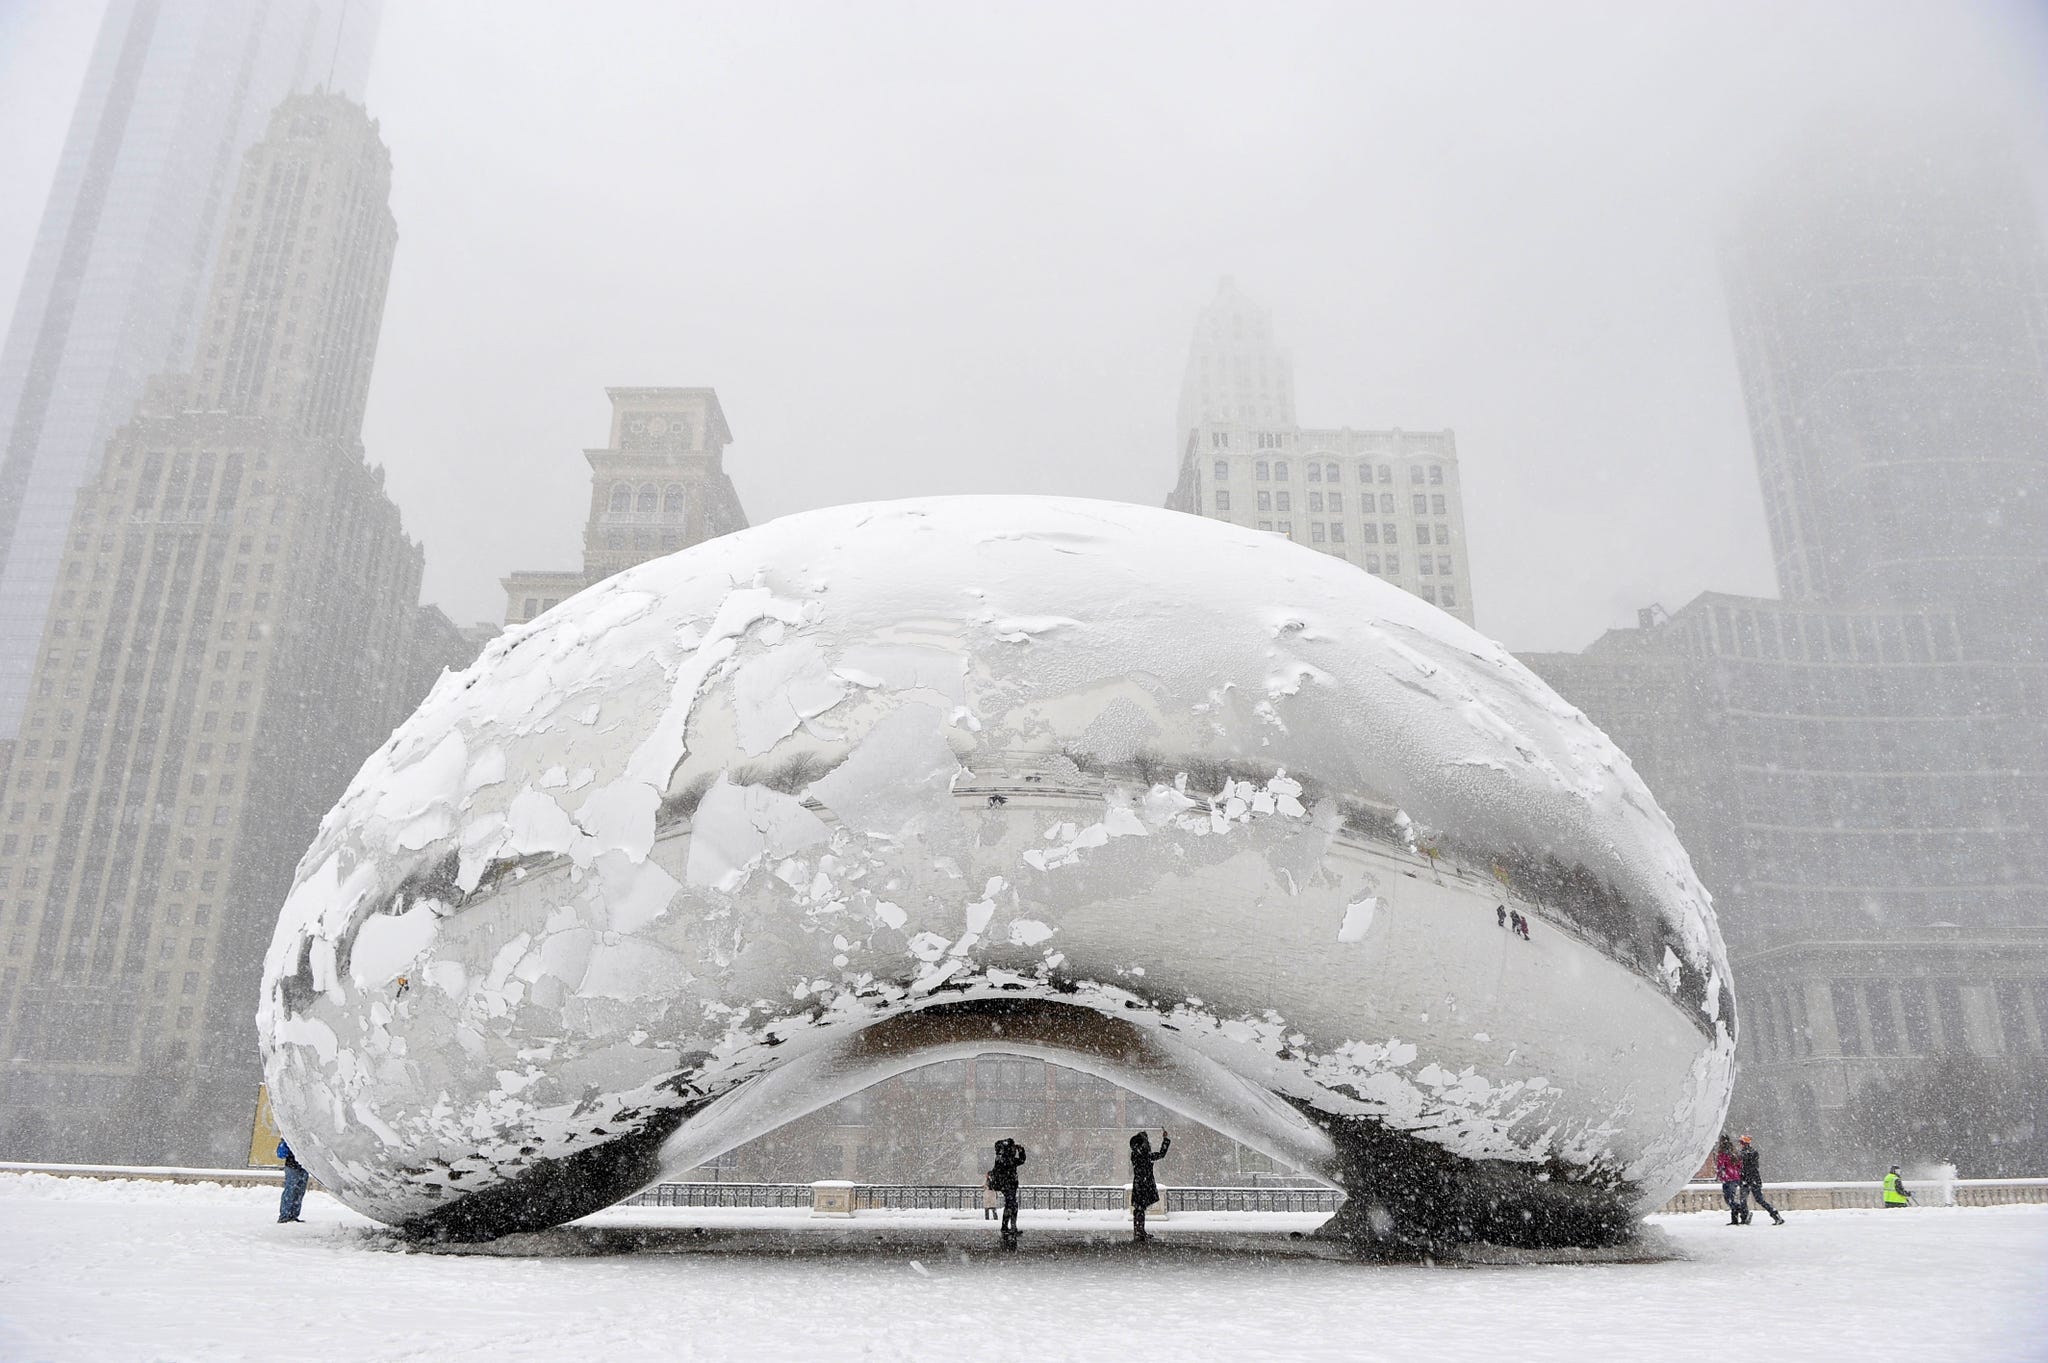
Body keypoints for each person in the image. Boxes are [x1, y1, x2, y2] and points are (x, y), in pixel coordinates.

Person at [1129, 1129, 1171, 1242]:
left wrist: (1165, 1140)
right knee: (1139, 1209)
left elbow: (1159, 1155)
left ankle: (1139, 1231)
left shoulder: (1137, 1155)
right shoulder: (1141, 1155)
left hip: (1140, 1183)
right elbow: (1161, 1154)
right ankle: (1139, 1232)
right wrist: (1165, 1140)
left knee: (1139, 1209)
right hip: (1143, 1184)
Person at [990, 1137, 1028, 1247]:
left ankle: (1006, 1226)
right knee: (1013, 1205)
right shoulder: (1006, 1159)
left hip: (1006, 1186)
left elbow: (1021, 1160)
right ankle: (1012, 1226)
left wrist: (1020, 1150)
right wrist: (1018, 1150)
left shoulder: (1000, 1157)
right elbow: (1021, 1160)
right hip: (1008, 1186)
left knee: (1009, 1204)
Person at [1738, 1134, 1783, 1224]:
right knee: (1758, 1199)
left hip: (1747, 1179)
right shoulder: (1752, 1152)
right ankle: (1775, 1214)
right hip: (1753, 1179)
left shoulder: (1744, 1153)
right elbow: (1754, 1165)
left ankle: (1745, 1216)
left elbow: (1746, 1166)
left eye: (1741, 1142)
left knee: (1744, 1199)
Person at [1713, 1135, 1747, 1226]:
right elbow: (1740, 1165)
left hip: (1727, 1178)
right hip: (1735, 1177)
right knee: (1731, 1199)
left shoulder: (1722, 1153)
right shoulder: (1734, 1152)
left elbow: (1720, 1166)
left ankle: (1744, 1213)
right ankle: (1735, 1219)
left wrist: (1719, 1174)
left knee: (1729, 1200)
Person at [276, 1139, 309, 1223]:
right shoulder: (289, 1139)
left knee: (299, 1192)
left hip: (302, 1167)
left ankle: (292, 1215)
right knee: (291, 1191)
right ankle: (285, 1215)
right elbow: (282, 1154)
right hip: (293, 1166)